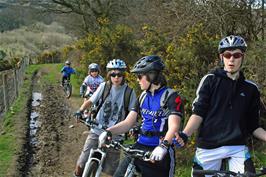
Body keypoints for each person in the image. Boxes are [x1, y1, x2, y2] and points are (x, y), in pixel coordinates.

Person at [177, 35, 266, 176]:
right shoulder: (210, 80)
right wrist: (185, 134)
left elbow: (253, 126)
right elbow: (198, 113)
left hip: (237, 147)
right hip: (208, 147)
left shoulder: (251, 89)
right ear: (221, 57)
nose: (231, 59)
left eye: (236, 55)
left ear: (243, 57)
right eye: (227, 55)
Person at [99, 55, 184, 177]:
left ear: (152, 75)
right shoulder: (143, 96)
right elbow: (128, 122)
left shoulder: (170, 96)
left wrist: (164, 146)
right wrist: (108, 132)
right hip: (139, 147)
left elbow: (174, 126)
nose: (137, 80)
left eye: (140, 76)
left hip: (159, 152)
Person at [73, 59, 137, 177]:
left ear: (124, 75)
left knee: (110, 172)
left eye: (119, 74)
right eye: (113, 74)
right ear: (109, 75)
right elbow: (91, 101)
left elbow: (132, 114)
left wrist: (133, 127)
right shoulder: (104, 86)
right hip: (97, 130)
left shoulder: (130, 92)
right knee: (81, 164)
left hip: (115, 136)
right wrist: (80, 110)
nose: (116, 77)